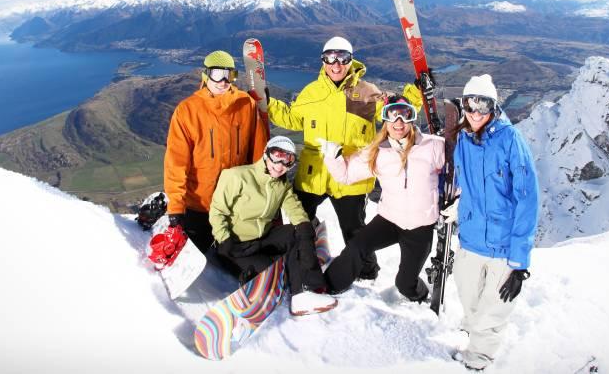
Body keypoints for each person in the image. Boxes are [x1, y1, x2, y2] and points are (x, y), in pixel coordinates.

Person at [268, 36, 422, 280]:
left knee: (355, 231)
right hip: (313, 174)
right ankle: (301, 264)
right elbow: (292, 118)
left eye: (342, 58)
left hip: (351, 176)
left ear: (351, 61)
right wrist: (266, 102)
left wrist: (416, 92)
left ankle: (367, 272)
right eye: (330, 58)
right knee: (300, 225)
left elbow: (396, 113)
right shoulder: (311, 92)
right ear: (323, 60)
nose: (336, 64)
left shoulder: (368, 93)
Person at [449, 74, 539, 371]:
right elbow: (465, 185)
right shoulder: (462, 138)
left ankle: (476, 362)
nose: (476, 112)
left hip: (502, 246)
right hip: (472, 240)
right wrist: (454, 211)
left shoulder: (510, 140)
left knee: (493, 312)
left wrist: (519, 262)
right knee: (469, 300)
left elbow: (527, 198)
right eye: (470, 104)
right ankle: (474, 338)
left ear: (494, 107)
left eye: (483, 105)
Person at [317, 95, 444, 302]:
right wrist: (333, 156)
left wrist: (454, 201)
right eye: (392, 115)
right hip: (389, 219)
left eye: (405, 115)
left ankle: (420, 296)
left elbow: (456, 176)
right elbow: (346, 175)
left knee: (404, 283)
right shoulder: (377, 152)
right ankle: (326, 287)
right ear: (385, 120)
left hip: (420, 227)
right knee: (357, 247)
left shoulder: (434, 146)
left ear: (412, 118)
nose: (399, 122)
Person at [209, 136, 338, 316]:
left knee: (296, 233)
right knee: (270, 271)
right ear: (266, 153)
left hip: (262, 240)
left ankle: (305, 292)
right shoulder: (237, 176)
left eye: (288, 161)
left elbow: (294, 207)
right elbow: (217, 211)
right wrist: (225, 240)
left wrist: (304, 227)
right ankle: (252, 278)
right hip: (236, 244)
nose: (280, 165)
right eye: (276, 155)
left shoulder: (281, 185)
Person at [162, 50, 268, 254]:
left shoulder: (246, 105)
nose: (224, 81)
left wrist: (261, 193)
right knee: (199, 259)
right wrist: (176, 208)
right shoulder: (187, 111)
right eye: (217, 73)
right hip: (199, 206)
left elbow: (257, 153)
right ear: (205, 75)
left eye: (229, 74)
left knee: (232, 258)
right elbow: (176, 163)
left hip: (234, 205)